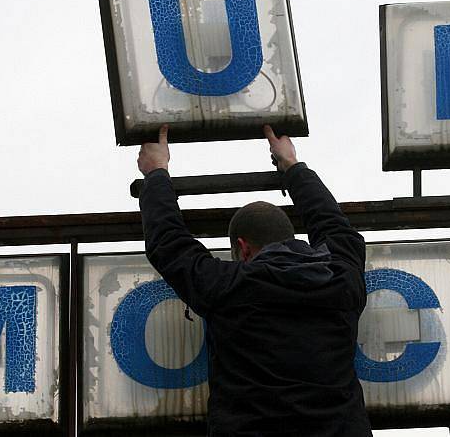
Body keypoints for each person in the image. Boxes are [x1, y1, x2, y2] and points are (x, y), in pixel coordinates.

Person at [137, 124, 372, 437]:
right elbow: (335, 227)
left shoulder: (227, 287)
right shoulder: (341, 280)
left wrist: (156, 173)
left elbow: (167, 241)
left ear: (243, 248)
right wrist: (292, 165)